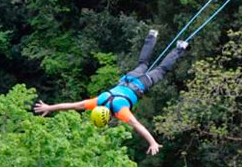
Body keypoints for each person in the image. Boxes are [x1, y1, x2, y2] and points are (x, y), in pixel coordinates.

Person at [33, 30, 188, 155]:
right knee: (143, 63)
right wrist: (49, 107)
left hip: (141, 84)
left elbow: (137, 125)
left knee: (161, 70)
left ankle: (181, 47)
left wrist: (152, 142)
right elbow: (71, 105)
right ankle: (152, 36)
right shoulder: (98, 101)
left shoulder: (120, 111)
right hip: (129, 78)